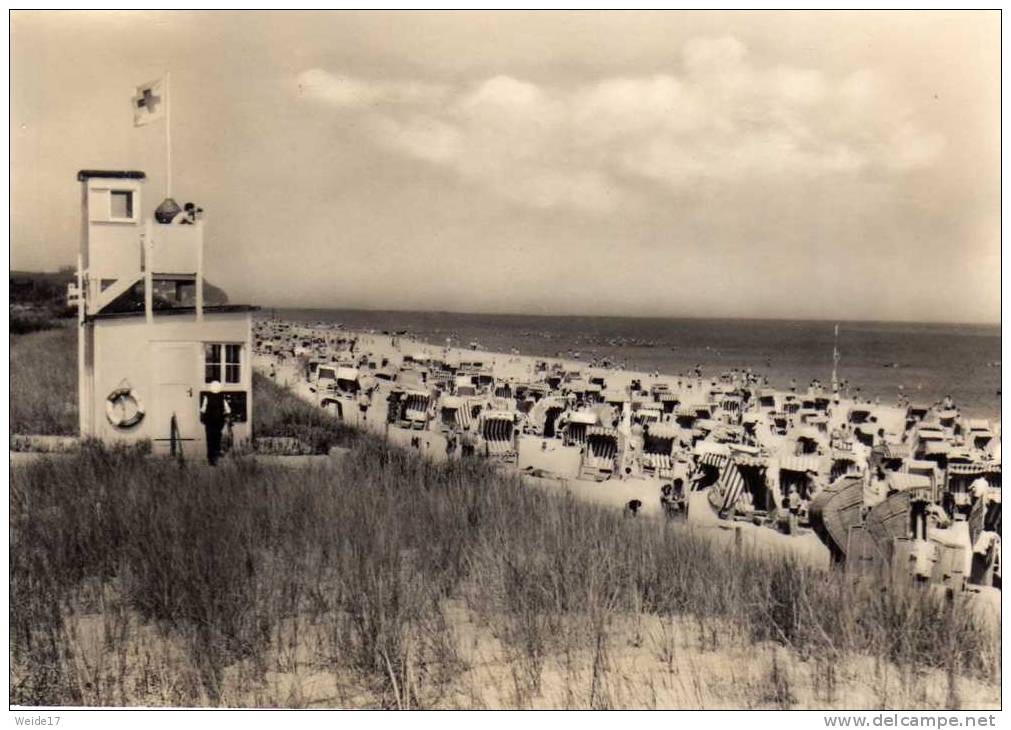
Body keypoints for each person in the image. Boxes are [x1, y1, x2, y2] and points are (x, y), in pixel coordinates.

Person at [200, 381, 231, 466]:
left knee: (210, 440)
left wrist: (203, 419)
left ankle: (210, 459)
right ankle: (216, 458)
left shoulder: (207, 397)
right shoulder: (222, 398)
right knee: (217, 440)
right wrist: (224, 416)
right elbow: (228, 410)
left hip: (209, 423)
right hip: (219, 423)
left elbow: (203, 410)